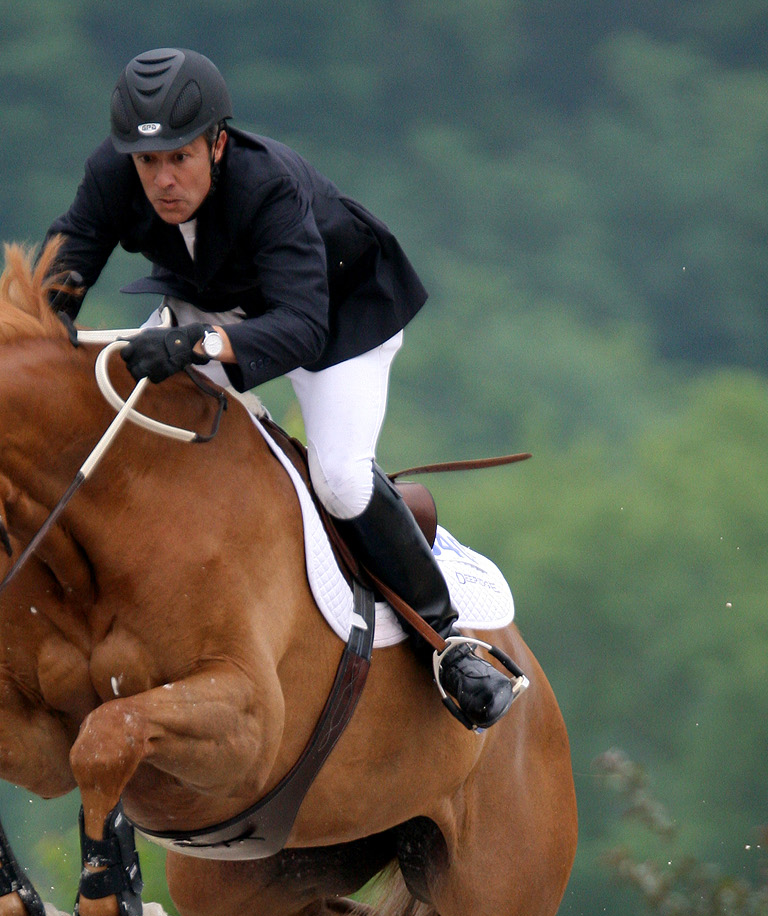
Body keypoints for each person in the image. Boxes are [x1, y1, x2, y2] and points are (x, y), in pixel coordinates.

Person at [43, 46, 517, 733]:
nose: (164, 179)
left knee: (342, 482)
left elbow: (298, 327)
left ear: (218, 142)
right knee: (115, 422)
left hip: (336, 323)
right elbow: (73, 252)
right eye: (149, 162)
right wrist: (38, 323)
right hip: (214, 309)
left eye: (180, 157)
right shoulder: (115, 173)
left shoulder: (268, 186)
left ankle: (449, 642)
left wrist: (193, 344)